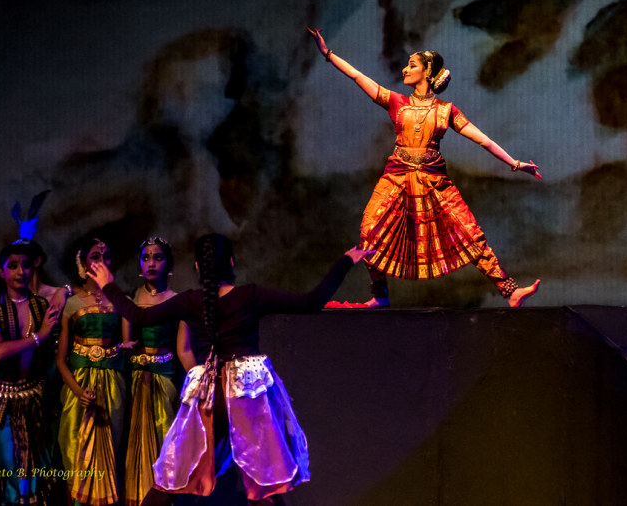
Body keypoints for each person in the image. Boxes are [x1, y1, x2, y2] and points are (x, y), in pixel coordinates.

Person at [88, 234, 371, 505]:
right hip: (245, 394)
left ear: (198, 267)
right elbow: (311, 301)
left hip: (209, 394)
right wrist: (345, 260)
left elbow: (139, 315)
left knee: (170, 479)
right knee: (261, 487)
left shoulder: (190, 301)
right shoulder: (250, 296)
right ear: (232, 263)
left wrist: (108, 285)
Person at [308, 28, 541, 308]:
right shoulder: (398, 103)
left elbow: (484, 140)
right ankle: (380, 296)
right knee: (369, 230)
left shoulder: (446, 111)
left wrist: (515, 164)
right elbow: (358, 76)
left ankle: (509, 290)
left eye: (413, 65)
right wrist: (327, 54)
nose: (406, 69)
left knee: (468, 232)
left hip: (434, 181)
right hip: (396, 177)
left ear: (428, 73)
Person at [0, 241, 60, 505]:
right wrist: (41, 336)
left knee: (38, 465)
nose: (20, 271)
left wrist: (65, 291)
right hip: (0, 399)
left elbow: (66, 292)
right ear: (1, 271)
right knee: (9, 464)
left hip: (35, 395)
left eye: (25, 265)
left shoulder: (41, 306)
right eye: (12, 266)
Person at [56, 237, 131, 506]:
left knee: (111, 451)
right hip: (79, 387)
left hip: (113, 385)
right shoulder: (72, 302)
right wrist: (77, 391)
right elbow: (61, 360)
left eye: (107, 256)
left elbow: (126, 342)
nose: (102, 261)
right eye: (95, 256)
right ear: (83, 262)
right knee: (77, 452)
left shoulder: (120, 300)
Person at [124, 236, 195, 506]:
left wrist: (200, 383)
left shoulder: (178, 301)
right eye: (145, 258)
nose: (151, 263)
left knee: (166, 441)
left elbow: (183, 350)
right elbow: (126, 342)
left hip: (165, 382)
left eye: (158, 257)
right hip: (135, 383)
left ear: (169, 264)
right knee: (136, 444)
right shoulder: (132, 299)